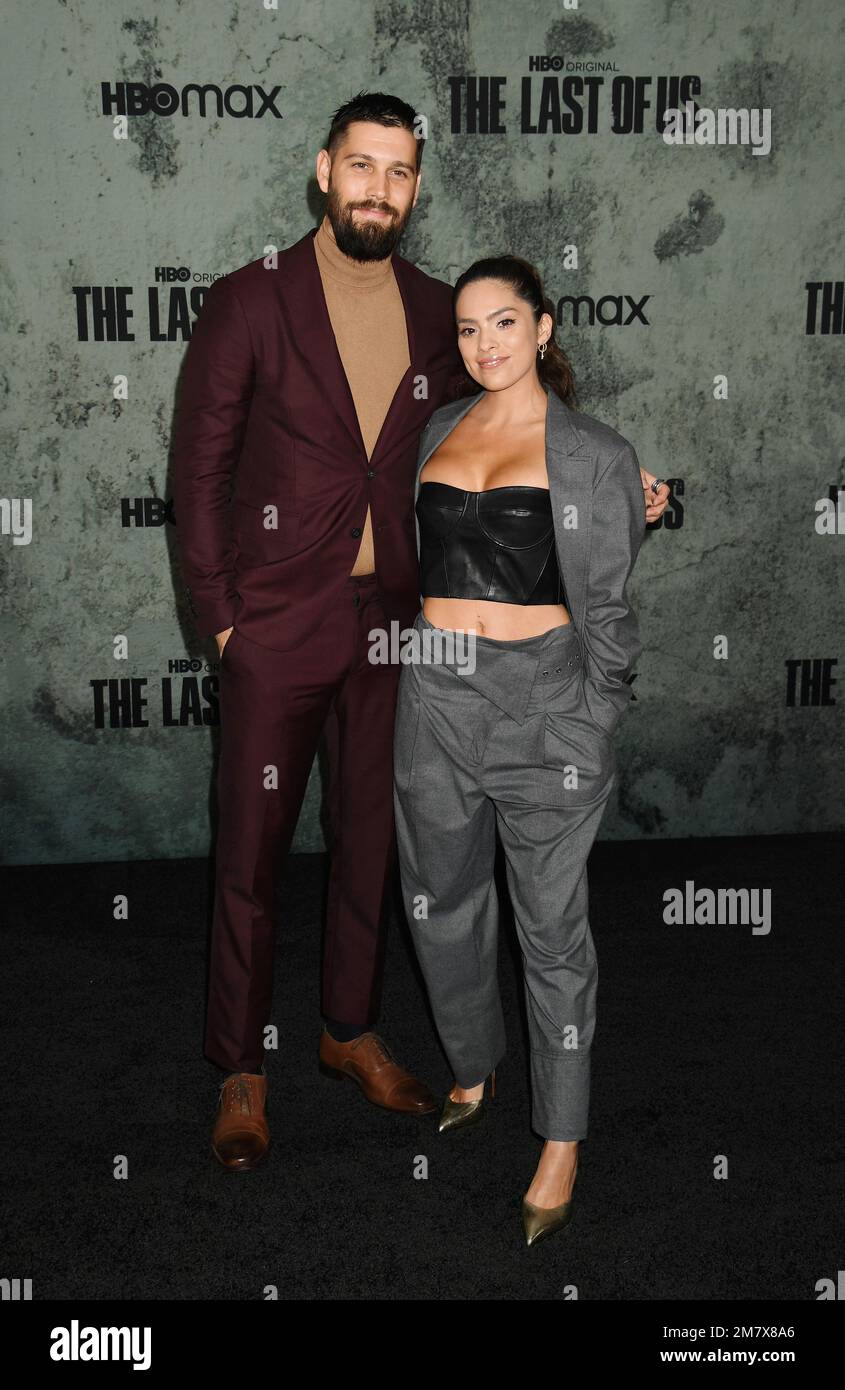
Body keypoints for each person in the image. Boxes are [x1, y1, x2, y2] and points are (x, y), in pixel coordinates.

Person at [172, 90, 670, 1173]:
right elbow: (199, 474)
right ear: (322, 170)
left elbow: (518, 421)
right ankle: (241, 1067)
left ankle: (345, 1031)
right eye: (361, 167)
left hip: (399, 633)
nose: (378, 190)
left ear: (414, 186)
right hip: (276, 626)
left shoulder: (442, 310)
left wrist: (620, 476)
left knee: (371, 847)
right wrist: (219, 623)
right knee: (250, 855)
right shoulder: (245, 302)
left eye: (399, 173)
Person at [393, 254, 655, 1245]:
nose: (484, 344)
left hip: (542, 705)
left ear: (543, 328)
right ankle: (471, 1060)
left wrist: (586, 725)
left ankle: (561, 1134)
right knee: (441, 899)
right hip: (433, 699)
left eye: (503, 322)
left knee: (551, 931)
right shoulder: (439, 428)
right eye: (466, 329)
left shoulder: (592, 451)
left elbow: (611, 620)